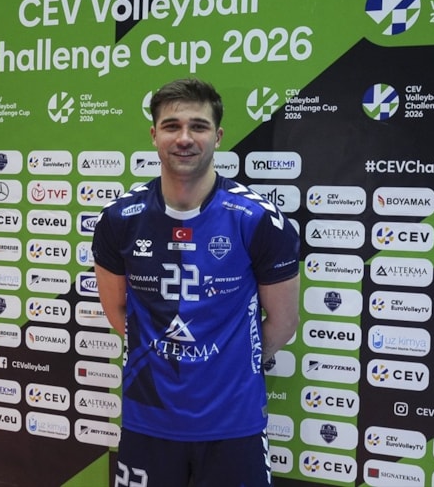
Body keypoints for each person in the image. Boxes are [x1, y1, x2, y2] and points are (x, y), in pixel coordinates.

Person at [92, 78, 301, 486]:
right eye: (171, 126)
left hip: (234, 424)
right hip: (148, 418)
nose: (184, 138)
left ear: (218, 137)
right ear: (154, 135)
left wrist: (225, 363)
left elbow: (284, 321)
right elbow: (117, 310)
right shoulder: (119, 219)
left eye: (198, 126)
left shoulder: (259, 219)